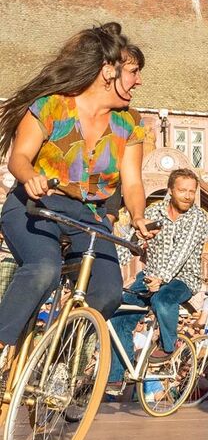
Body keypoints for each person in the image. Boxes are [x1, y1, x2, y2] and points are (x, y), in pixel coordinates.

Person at [0, 23, 155, 351]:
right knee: (44, 269)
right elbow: (20, 157)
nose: (139, 80)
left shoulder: (130, 124)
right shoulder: (52, 105)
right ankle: (1, 344)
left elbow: (132, 182)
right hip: (35, 205)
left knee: (109, 294)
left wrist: (138, 215)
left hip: (87, 215)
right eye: (133, 71)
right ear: (107, 72)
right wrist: (30, 176)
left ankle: (53, 359)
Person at [106, 169, 208, 389]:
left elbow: (181, 252)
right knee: (119, 316)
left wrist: (162, 279)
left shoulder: (198, 218)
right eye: (182, 190)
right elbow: (132, 243)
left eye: (192, 192)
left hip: (183, 278)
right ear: (170, 190)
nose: (187, 196)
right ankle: (117, 376)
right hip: (150, 275)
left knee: (162, 300)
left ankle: (168, 343)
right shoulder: (153, 213)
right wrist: (107, 265)